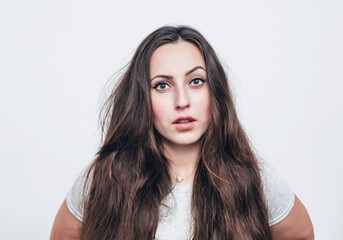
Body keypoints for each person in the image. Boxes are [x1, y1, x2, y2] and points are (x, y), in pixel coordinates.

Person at [50, 25, 314, 240]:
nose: (182, 100)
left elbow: (301, 235)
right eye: (162, 85)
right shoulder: (104, 180)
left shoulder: (256, 180)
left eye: (196, 81)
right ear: (141, 99)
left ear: (215, 92)